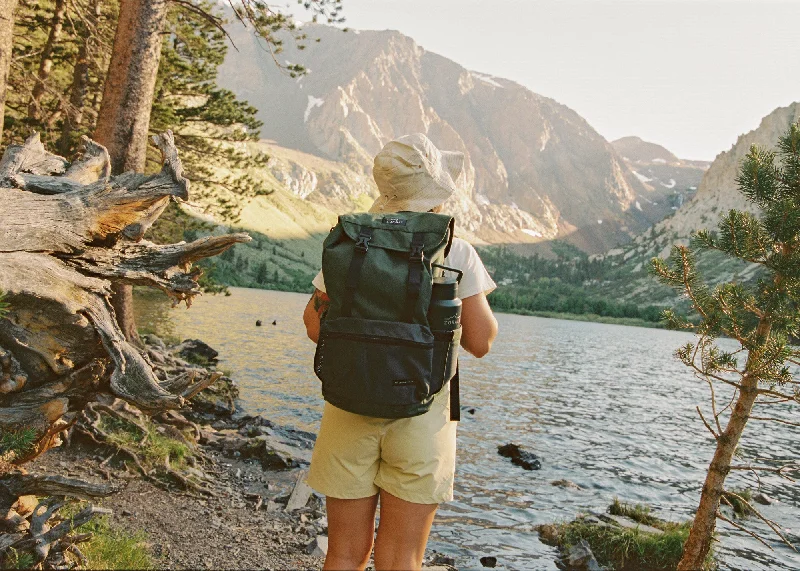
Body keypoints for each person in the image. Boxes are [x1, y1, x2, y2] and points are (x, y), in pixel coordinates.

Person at [302, 133, 498, 571]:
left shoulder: (354, 244)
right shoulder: (454, 250)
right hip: (423, 413)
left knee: (344, 554)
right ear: (432, 188)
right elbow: (481, 343)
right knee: (402, 558)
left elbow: (315, 325)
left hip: (348, 404)